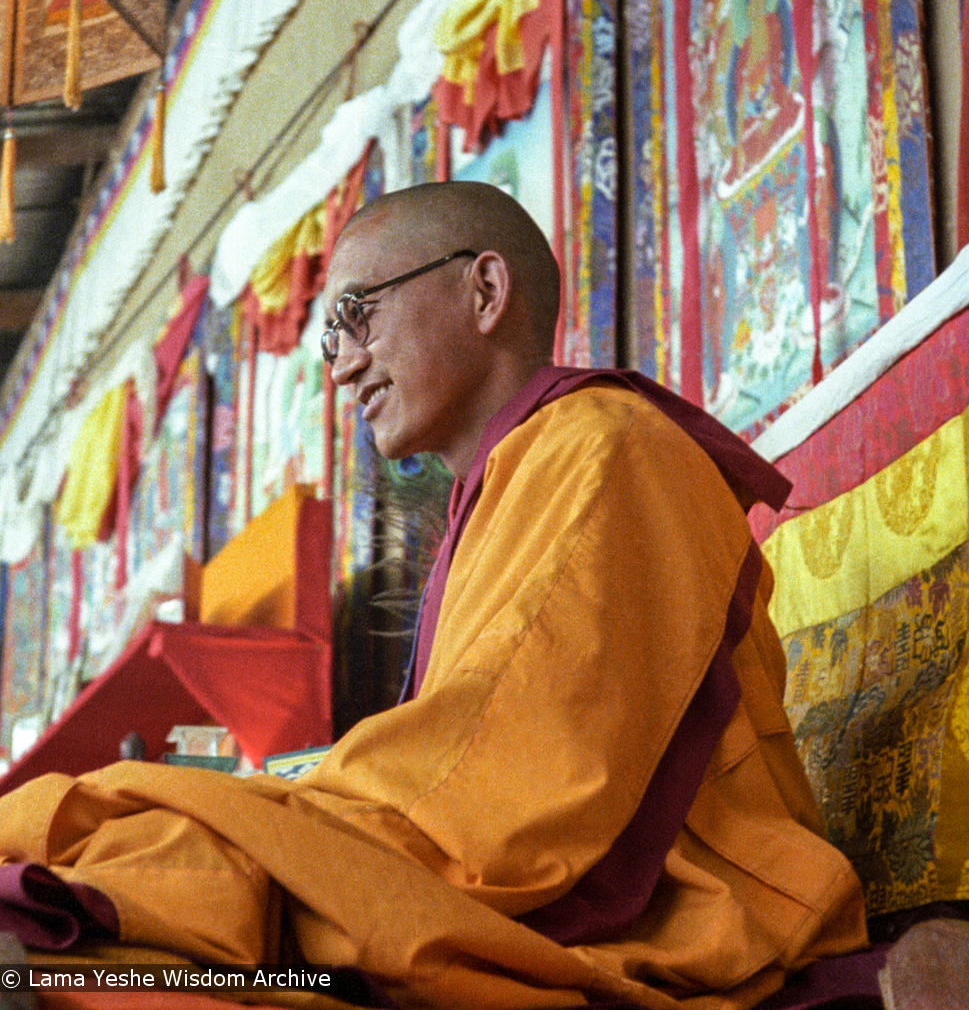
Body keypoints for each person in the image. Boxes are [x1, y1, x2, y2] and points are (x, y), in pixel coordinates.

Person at [0, 181, 870, 1010]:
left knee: (138, 883)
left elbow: (504, 798)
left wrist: (270, 824)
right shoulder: (510, 484)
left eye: (351, 317)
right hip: (536, 864)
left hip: (681, 916)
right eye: (327, 340)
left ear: (485, 289)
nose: (340, 368)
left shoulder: (605, 446)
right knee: (132, 885)